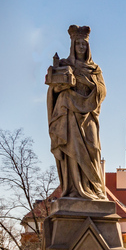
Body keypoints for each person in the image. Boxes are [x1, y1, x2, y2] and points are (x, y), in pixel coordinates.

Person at [46, 25, 107, 200]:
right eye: (78, 43)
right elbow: (53, 91)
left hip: (88, 116)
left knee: (93, 149)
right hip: (69, 114)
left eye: (84, 44)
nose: (81, 46)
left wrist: (85, 81)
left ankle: (95, 189)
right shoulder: (65, 65)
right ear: (73, 45)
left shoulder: (95, 69)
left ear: (88, 47)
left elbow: (102, 91)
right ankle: (75, 189)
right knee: (73, 151)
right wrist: (59, 86)